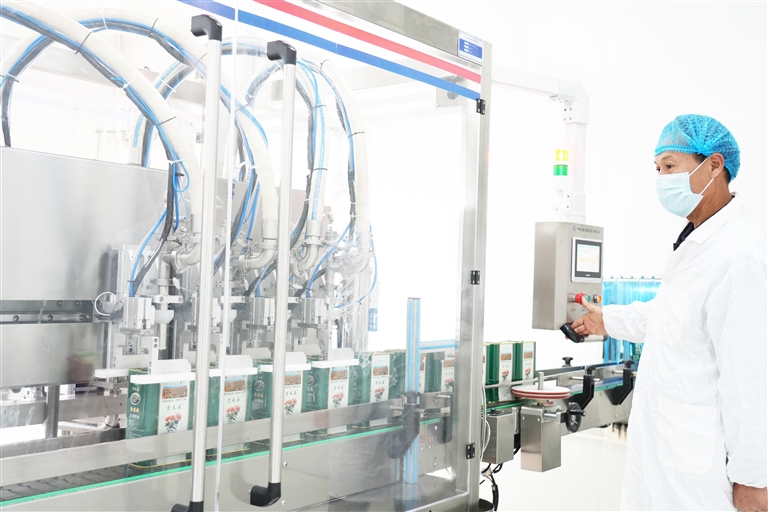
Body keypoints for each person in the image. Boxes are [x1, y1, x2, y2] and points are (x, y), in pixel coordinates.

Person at [572, 114, 767, 511]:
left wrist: (753, 479)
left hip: (701, 474)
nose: (661, 178)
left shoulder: (740, 254)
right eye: (657, 168)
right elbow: (672, 316)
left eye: (670, 166)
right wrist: (607, 320)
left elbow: (750, 381)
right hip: (667, 460)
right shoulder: (699, 243)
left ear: (714, 165)